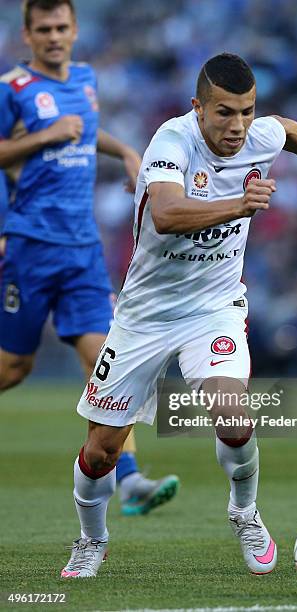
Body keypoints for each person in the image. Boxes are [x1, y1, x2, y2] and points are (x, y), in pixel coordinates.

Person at [61, 52, 297, 578]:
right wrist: (240, 205)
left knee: (231, 410)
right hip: (145, 314)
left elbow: (287, 129)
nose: (238, 125)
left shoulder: (259, 134)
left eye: (246, 111)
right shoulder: (171, 141)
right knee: (101, 452)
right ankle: (92, 540)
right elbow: (167, 212)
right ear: (197, 108)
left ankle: (245, 513)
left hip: (214, 307)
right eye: (225, 112)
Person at [0, 0, 179, 517]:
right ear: (28, 35)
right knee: (13, 367)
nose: (55, 36)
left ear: (75, 30)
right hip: (31, 245)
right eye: (44, 29)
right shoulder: (13, 89)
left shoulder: (84, 78)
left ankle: (130, 481)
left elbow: (85, 130)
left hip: (81, 251)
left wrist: (124, 151)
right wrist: (43, 137)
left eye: (62, 27)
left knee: (106, 363)